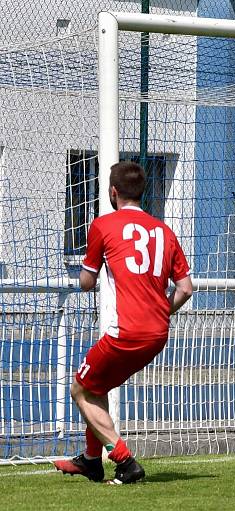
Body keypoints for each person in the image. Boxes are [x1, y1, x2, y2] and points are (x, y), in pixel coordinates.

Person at [54, 161, 193, 484]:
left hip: (126, 332)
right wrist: (160, 311)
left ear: (113, 192)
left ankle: (125, 461)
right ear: (142, 192)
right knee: (96, 386)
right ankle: (91, 460)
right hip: (157, 333)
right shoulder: (165, 231)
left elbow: (87, 283)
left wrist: (92, 264)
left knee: (80, 389)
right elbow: (185, 288)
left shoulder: (104, 225)